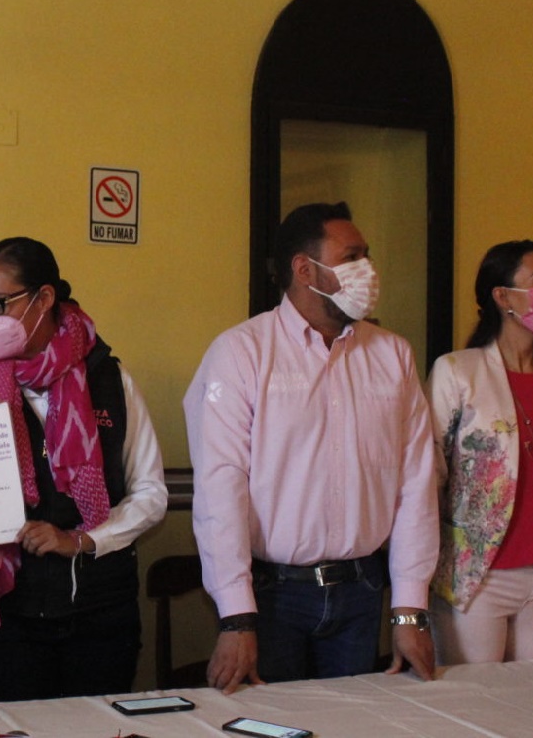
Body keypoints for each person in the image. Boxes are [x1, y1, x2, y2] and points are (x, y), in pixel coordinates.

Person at [184, 202, 439, 692]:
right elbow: (221, 490)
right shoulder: (241, 352)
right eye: (353, 257)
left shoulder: (393, 355)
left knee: (353, 721)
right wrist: (237, 617)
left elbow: (415, 483)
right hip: (274, 594)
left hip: (362, 589)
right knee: (272, 722)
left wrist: (410, 609)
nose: (368, 270)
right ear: (304, 269)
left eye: (367, 256)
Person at [0, 237, 167, 702]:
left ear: (44, 298)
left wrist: (82, 539)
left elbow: (151, 493)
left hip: (99, 614)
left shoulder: (110, 380)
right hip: (9, 620)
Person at [426, 240, 533, 664]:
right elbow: (430, 477)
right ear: (502, 297)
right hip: (477, 575)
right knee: (474, 697)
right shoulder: (457, 371)